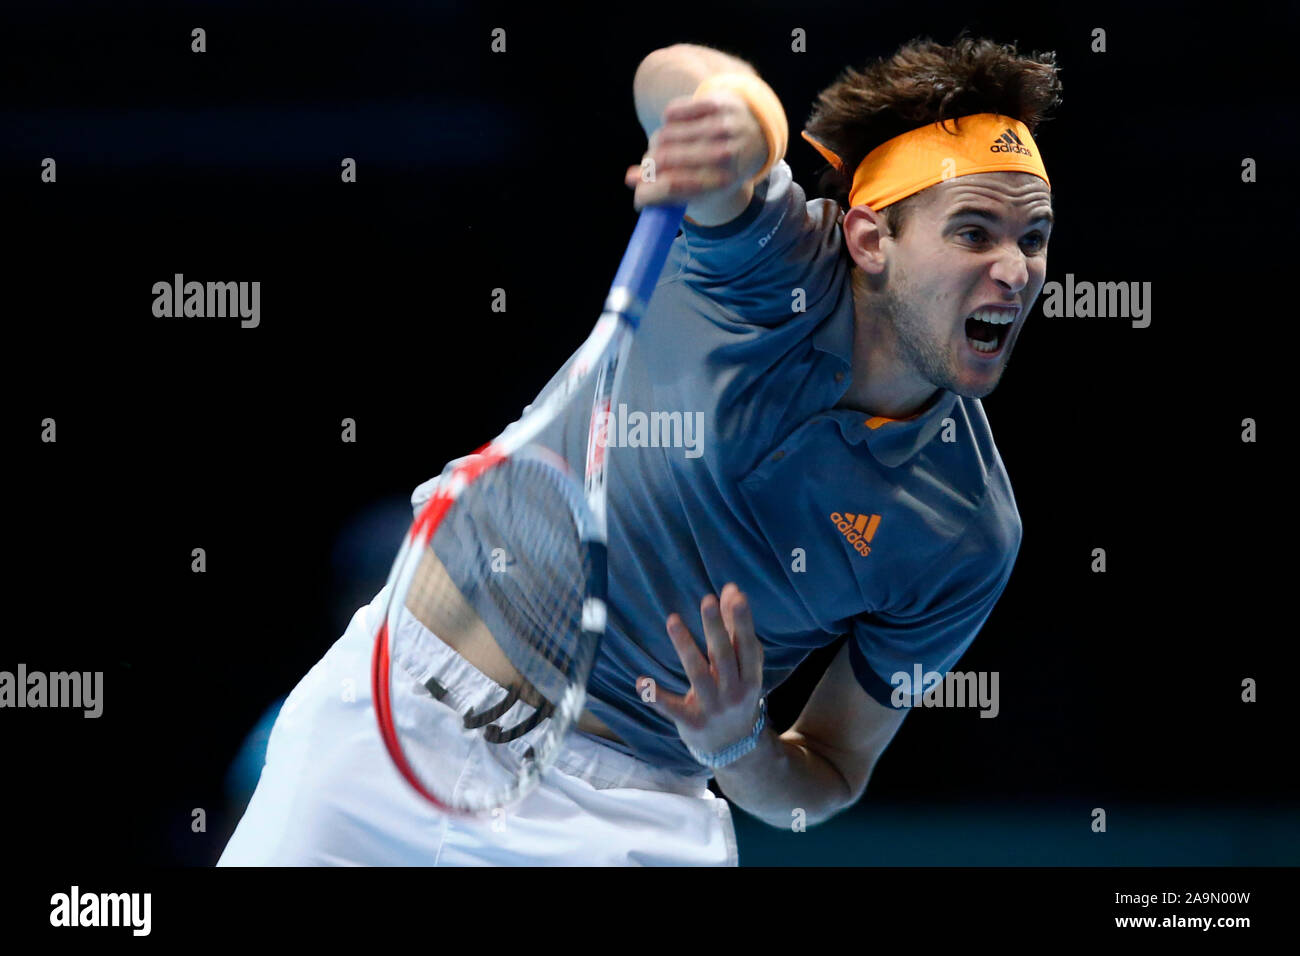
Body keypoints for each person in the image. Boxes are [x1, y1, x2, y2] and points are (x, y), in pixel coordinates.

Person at [218, 33, 1060, 866]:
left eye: (1033, 237)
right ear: (873, 240)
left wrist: (740, 747)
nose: (1016, 270)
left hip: (628, 813)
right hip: (396, 719)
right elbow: (679, 75)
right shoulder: (773, 266)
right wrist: (731, 118)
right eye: (974, 232)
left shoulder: (967, 531)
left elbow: (831, 773)